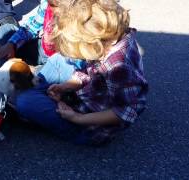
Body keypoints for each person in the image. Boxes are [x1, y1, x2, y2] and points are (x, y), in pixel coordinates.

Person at [15, 0, 149, 146]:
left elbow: (126, 111)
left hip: (89, 127)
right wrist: (67, 86)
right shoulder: (110, 40)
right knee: (59, 60)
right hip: (89, 96)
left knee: (25, 102)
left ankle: (41, 108)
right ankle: (41, 96)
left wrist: (76, 118)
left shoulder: (120, 68)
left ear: (94, 42)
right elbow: (89, 71)